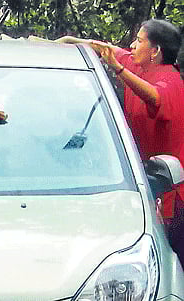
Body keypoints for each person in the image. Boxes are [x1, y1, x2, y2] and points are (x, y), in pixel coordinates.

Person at [56, 19, 184, 264]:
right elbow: (106, 49)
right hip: (142, 182)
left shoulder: (171, 81)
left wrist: (119, 70)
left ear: (155, 51)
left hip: (172, 193)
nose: (133, 45)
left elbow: (155, 97)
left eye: (139, 40)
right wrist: (68, 42)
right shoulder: (138, 66)